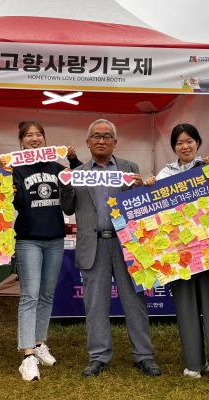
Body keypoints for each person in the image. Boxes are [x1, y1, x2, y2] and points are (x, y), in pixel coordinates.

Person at [60, 119, 161, 378]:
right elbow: (68, 208)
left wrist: (143, 190)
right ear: (88, 142)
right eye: (96, 136)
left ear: (115, 142)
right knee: (95, 305)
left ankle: (144, 355)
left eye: (107, 136)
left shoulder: (130, 169)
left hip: (126, 245)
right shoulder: (78, 172)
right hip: (93, 245)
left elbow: (142, 206)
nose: (101, 140)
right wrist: (65, 184)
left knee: (134, 302)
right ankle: (98, 356)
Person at [145, 123, 209, 382]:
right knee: (185, 305)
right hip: (180, 251)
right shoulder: (164, 174)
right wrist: (150, 186)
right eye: (179, 142)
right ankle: (194, 363)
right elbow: (153, 210)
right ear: (173, 147)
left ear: (198, 143)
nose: (185, 146)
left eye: (189, 141)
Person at [0, 121, 81, 382]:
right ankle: (27, 356)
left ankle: (39, 342)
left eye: (39, 135)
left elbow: (78, 189)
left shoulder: (58, 168)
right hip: (28, 239)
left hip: (55, 238)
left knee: (46, 295)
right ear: (21, 142)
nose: (34, 139)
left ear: (45, 139)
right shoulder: (16, 170)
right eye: (28, 135)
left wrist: (74, 159)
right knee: (30, 296)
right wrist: (6, 179)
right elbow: (16, 203)